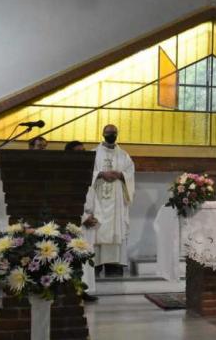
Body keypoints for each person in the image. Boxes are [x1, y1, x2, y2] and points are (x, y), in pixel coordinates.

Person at [90, 125, 135, 278]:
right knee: (96, 229)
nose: (111, 135)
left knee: (116, 230)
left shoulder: (124, 155)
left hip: (116, 201)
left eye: (114, 133)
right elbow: (86, 172)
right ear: (103, 134)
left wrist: (121, 175)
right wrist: (100, 174)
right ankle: (95, 266)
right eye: (109, 133)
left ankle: (114, 267)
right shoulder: (93, 154)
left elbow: (130, 173)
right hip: (97, 200)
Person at [63, 141, 98, 302]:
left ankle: (84, 289)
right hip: (75, 222)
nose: (83, 154)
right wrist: (83, 218)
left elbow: (93, 195)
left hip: (88, 221)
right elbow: (69, 199)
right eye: (79, 151)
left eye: (84, 151)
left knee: (86, 258)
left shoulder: (87, 171)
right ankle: (73, 290)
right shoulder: (66, 172)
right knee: (74, 257)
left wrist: (95, 216)